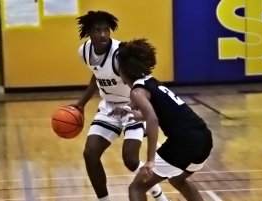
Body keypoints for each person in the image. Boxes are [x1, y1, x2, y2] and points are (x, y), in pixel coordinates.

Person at [71, 11, 169, 201]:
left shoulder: (120, 54)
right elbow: (96, 74)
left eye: (106, 30)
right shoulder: (84, 51)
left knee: (130, 159)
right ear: (88, 32)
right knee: (90, 154)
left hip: (133, 107)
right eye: (97, 30)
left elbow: (143, 82)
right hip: (109, 107)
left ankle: (158, 195)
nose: (102, 34)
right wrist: (81, 103)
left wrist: (131, 106)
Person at [115, 38, 213, 201]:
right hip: (203, 137)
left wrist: (151, 160)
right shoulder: (151, 81)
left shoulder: (137, 91)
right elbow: (157, 112)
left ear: (124, 70)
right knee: (178, 179)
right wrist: (131, 111)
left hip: (184, 141)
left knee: (137, 187)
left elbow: (152, 119)